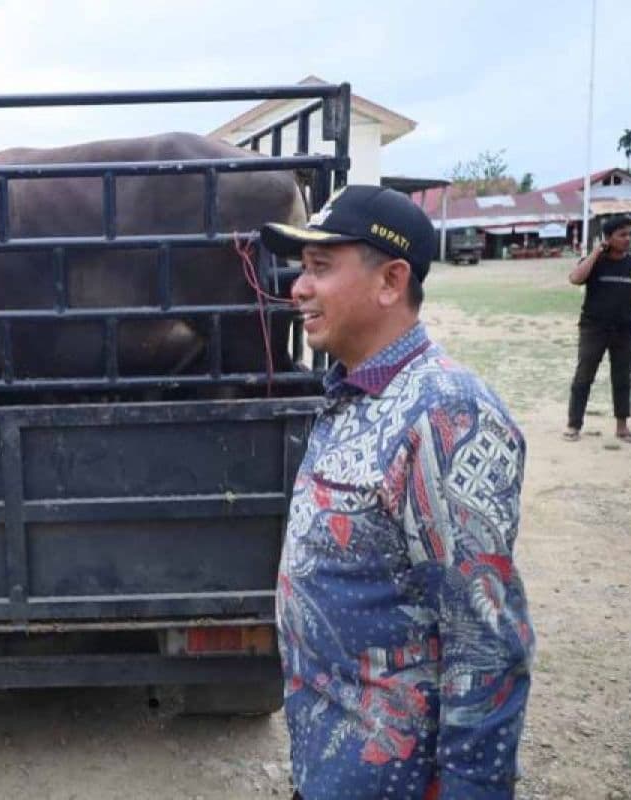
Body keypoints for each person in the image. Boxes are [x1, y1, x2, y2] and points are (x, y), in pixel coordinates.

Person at [261, 185, 534, 799]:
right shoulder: (353, 395)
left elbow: (485, 640)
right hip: (334, 768)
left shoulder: (446, 414)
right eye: (302, 269)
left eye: (321, 268)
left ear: (391, 282)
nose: (297, 288)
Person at [563, 216, 631, 443]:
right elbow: (575, 278)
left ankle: (622, 427)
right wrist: (596, 252)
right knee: (583, 377)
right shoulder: (594, 262)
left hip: (625, 329)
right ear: (608, 238)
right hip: (594, 329)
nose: (628, 239)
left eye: (630, 234)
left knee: (622, 378)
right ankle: (574, 425)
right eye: (622, 235)